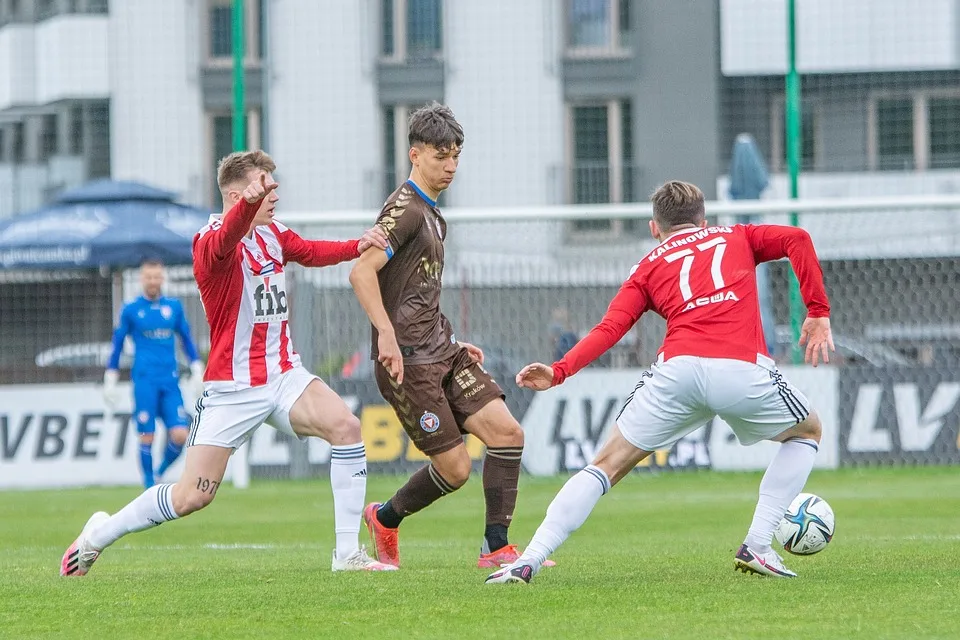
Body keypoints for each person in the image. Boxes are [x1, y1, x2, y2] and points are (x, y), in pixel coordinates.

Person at [61, 150, 396, 576]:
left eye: (272, 185)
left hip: (284, 374)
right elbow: (227, 239)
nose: (273, 194)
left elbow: (310, 251)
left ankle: (346, 554)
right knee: (192, 497)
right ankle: (98, 535)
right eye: (263, 187)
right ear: (236, 195)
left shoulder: (274, 234)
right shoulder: (209, 241)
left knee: (346, 427)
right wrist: (247, 206)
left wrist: (357, 245)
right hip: (233, 389)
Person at [486, 180, 834, 584]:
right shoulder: (737, 236)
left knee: (604, 466)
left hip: (677, 373)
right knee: (807, 431)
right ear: (703, 219)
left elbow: (610, 328)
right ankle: (757, 544)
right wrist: (817, 310)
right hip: (740, 369)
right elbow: (798, 238)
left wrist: (560, 369)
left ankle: (528, 560)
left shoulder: (648, 266)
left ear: (655, 228)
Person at [349, 102, 538, 569]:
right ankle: (385, 518)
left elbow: (418, 289)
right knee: (455, 470)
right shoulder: (406, 209)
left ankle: (497, 547)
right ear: (415, 155)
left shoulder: (434, 215)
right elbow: (360, 272)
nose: (450, 166)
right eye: (440, 156)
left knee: (508, 433)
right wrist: (387, 337)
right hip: (408, 362)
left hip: (441, 350)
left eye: (455, 155)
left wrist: (451, 340)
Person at [103, 259, 204, 489]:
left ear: (162, 278)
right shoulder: (131, 310)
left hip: (170, 382)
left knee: (180, 435)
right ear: (142, 279)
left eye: (157, 276)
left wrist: (197, 367)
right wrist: (110, 377)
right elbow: (117, 344)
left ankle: (158, 473)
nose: (153, 281)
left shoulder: (173, 307)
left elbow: (186, 339)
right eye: (149, 277)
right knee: (147, 436)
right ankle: (149, 486)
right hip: (144, 382)